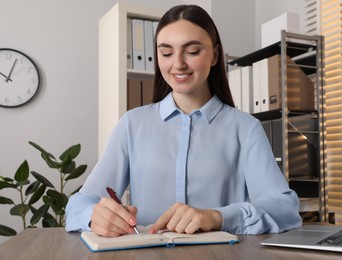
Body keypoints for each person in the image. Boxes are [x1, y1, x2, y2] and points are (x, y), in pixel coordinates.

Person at [65, 4, 302, 237]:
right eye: (166, 52)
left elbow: (285, 210)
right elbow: (79, 204)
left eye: (192, 51)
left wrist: (217, 217)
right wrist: (95, 216)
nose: (178, 63)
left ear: (214, 55)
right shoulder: (132, 124)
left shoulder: (246, 128)